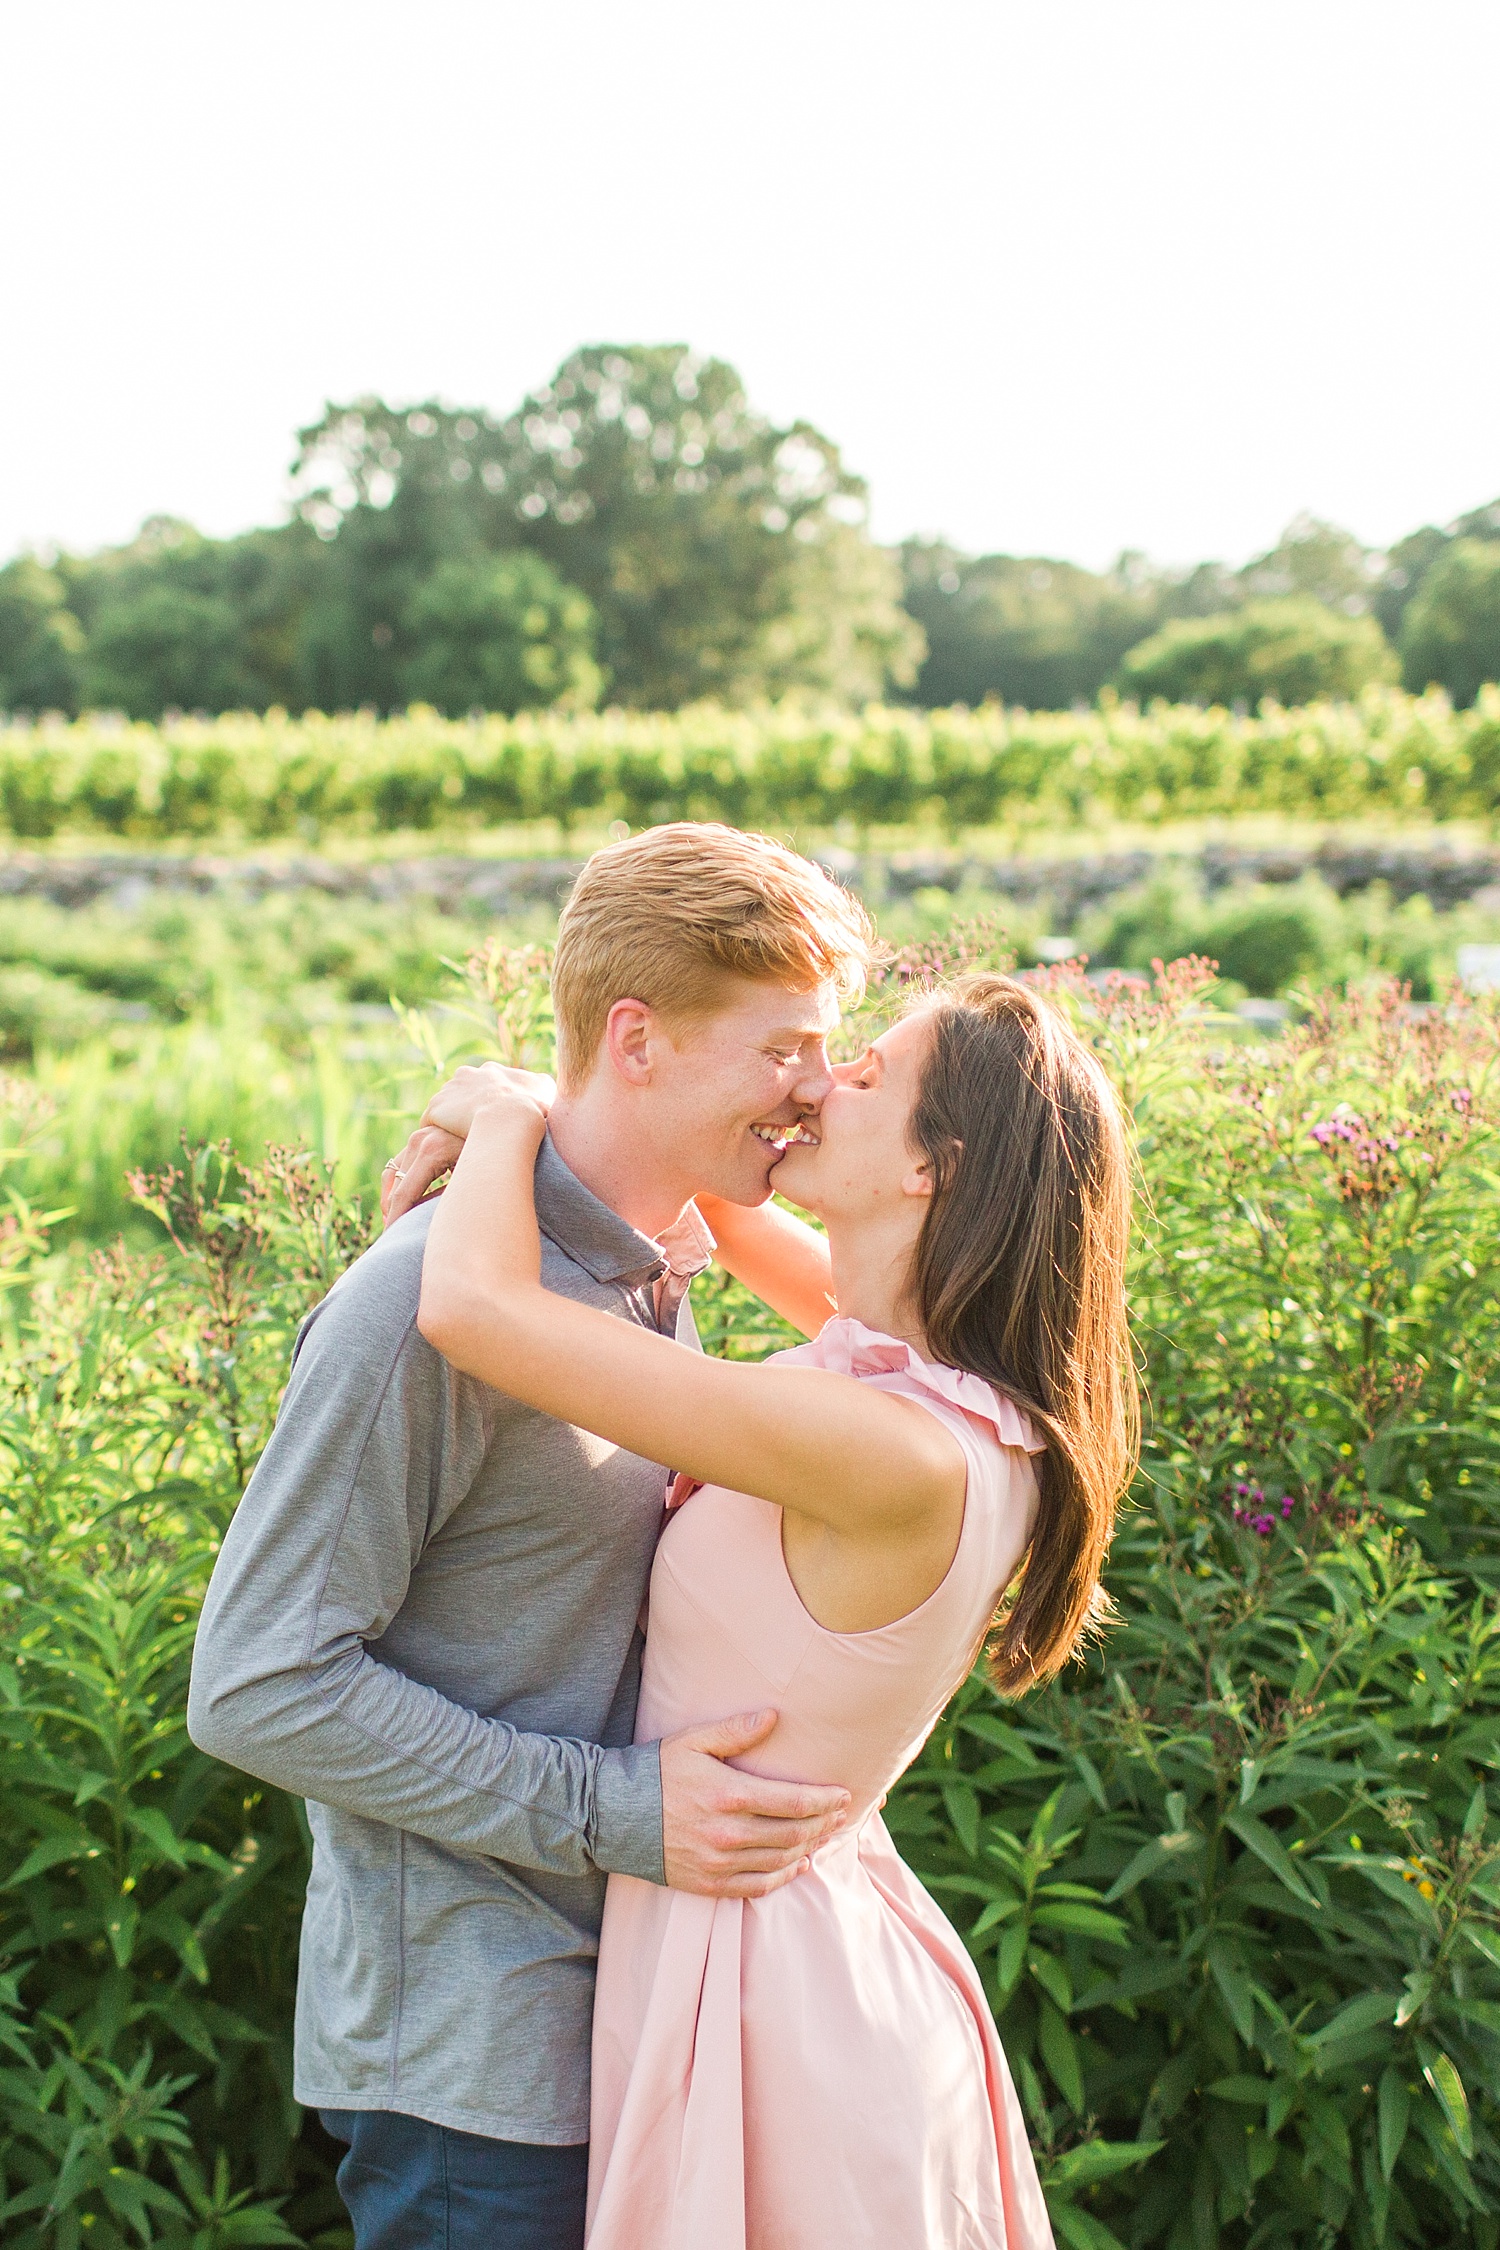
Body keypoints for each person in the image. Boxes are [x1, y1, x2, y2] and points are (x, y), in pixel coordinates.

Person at [187, 824, 880, 2250]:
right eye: (787, 1049)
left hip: (628, 2016)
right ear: (640, 1037)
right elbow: (258, 1679)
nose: (815, 1093)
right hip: (478, 2075)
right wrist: (613, 1807)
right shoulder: (417, 1309)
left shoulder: (638, 1278)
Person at [407, 966, 1137, 2249]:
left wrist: (510, 1110)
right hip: (800, 1941)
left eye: (865, 1076)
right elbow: (735, 1223)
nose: (819, 1080)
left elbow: (472, 1311)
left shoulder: (885, 1451)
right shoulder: (957, 1394)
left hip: (765, 1994)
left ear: (931, 1169)